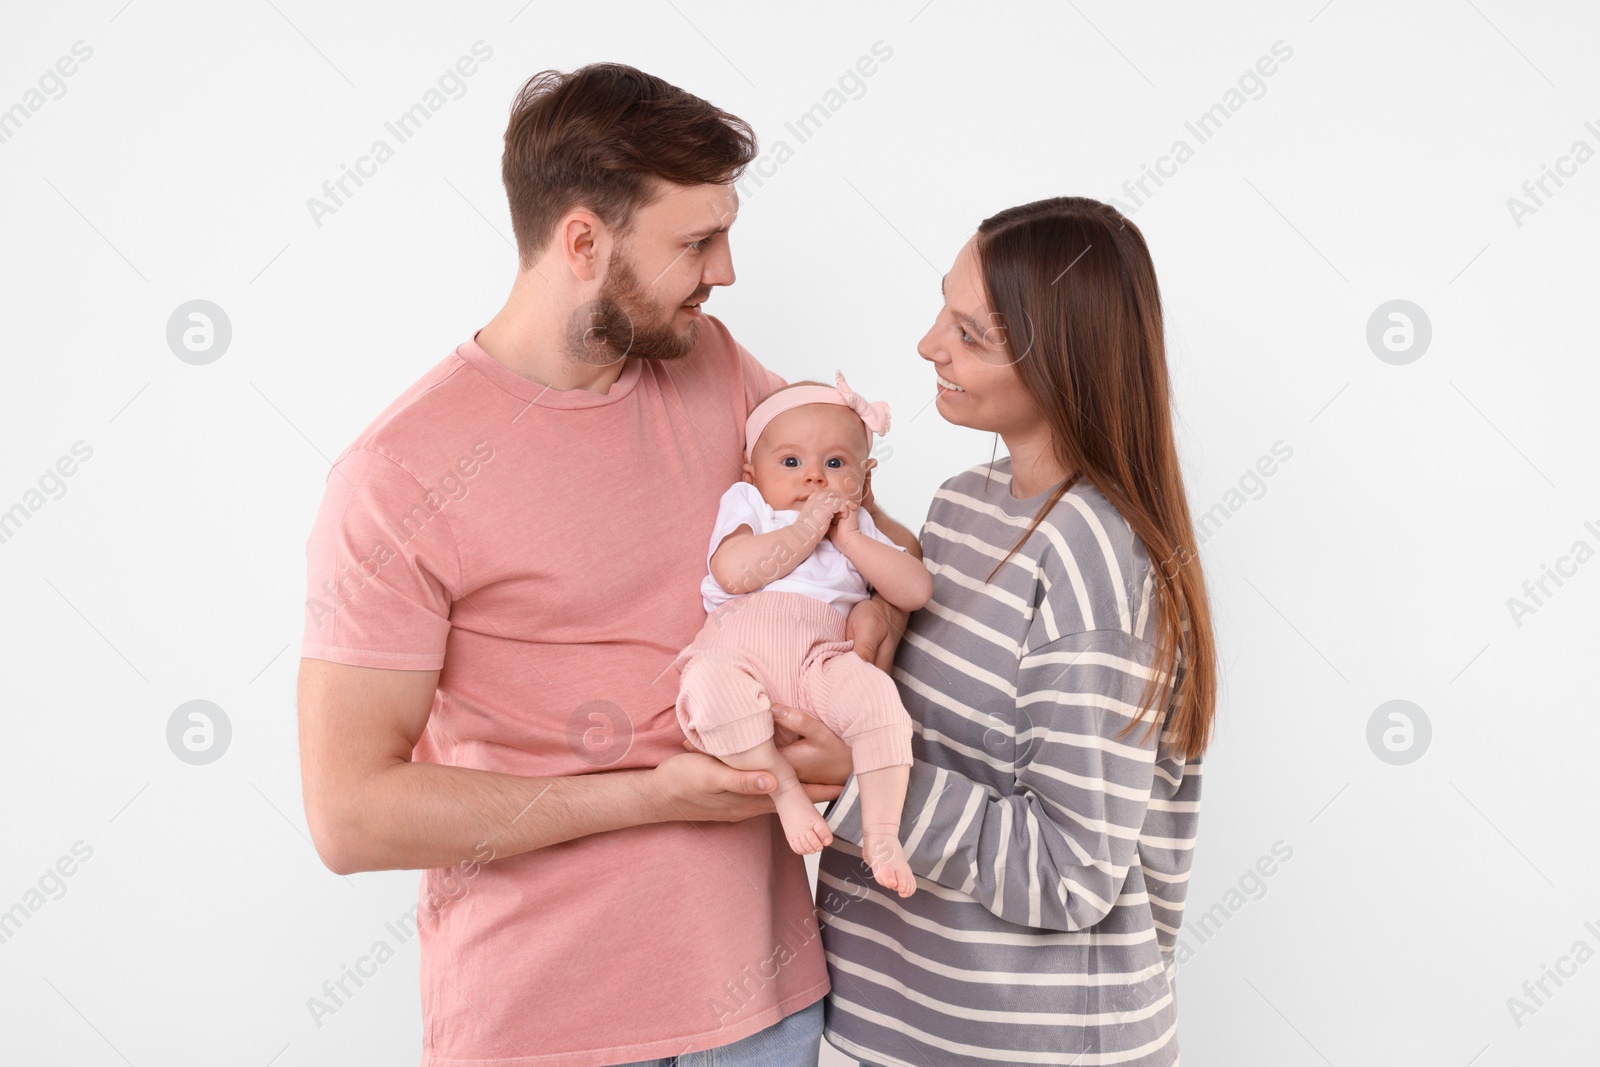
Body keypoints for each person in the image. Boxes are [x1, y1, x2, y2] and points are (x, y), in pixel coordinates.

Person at [295, 63, 916, 1067]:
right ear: (583, 241)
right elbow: (351, 812)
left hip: (766, 1007)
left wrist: (868, 637)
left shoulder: (713, 364)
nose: (725, 271)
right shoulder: (397, 474)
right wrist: (645, 793)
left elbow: (844, 524)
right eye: (697, 242)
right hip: (546, 1028)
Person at [814, 197, 1218, 1067]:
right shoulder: (961, 508)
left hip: (1027, 1044)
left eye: (971, 334)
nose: (929, 345)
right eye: (942, 310)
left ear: (1063, 364)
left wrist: (858, 777)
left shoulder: (1093, 559)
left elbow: (1073, 870)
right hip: (906, 1023)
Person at [672, 373, 932, 894]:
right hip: (740, 652)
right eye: (791, 463)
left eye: (835, 464)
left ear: (864, 478)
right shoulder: (752, 507)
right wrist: (804, 529)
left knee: (880, 700)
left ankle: (881, 834)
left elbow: (914, 591)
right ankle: (784, 789)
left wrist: (854, 540)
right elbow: (734, 573)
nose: (813, 479)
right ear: (752, 471)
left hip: (822, 660)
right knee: (708, 687)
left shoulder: (857, 529)